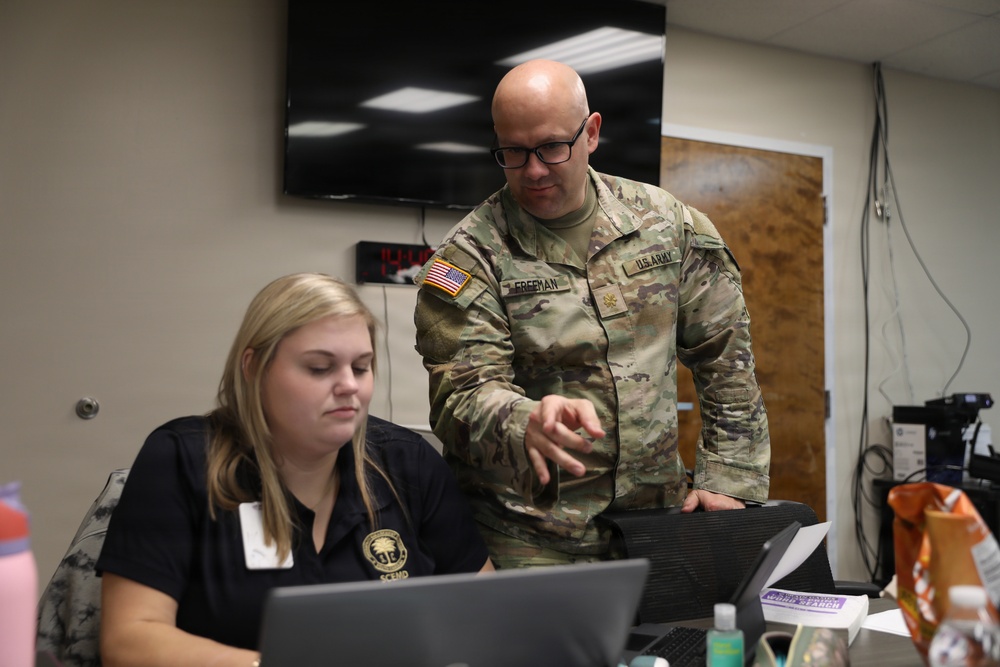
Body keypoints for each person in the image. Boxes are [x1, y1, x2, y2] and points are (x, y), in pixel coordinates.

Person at [413, 59, 770, 569]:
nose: (533, 169)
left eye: (552, 147)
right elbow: (461, 396)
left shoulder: (665, 224)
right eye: (513, 152)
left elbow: (725, 357)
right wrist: (523, 421)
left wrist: (730, 477)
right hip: (531, 535)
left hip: (659, 521)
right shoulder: (470, 256)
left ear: (592, 132)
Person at [97, 273, 493, 667]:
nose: (348, 386)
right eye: (320, 368)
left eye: (360, 367)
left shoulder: (408, 463)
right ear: (253, 367)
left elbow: (487, 615)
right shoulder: (181, 461)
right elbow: (130, 639)